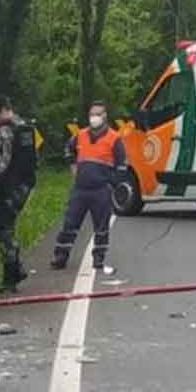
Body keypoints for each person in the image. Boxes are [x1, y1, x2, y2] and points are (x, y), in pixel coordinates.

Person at [52, 101, 126, 272]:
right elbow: (68, 150)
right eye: (92, 114)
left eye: (98, 114)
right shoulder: (80, 135)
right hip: (80, 188)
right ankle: (61, 256)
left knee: (101, 226)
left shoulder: (114, 139)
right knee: (70, 223)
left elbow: (122, 165)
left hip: (101, 189)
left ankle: (99, 257)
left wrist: (112, 184)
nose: (94, 118)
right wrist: (72, 167)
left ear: (105, 116)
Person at [0, 97, 39, 292]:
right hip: (25, 184)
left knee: (1, 223)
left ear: (1, 111)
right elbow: (34, 159)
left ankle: (12, 273)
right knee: (2, 222)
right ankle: (14, 271)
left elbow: (3, 163)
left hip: (11, 185)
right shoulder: (25, 127)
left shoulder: (7, 131)